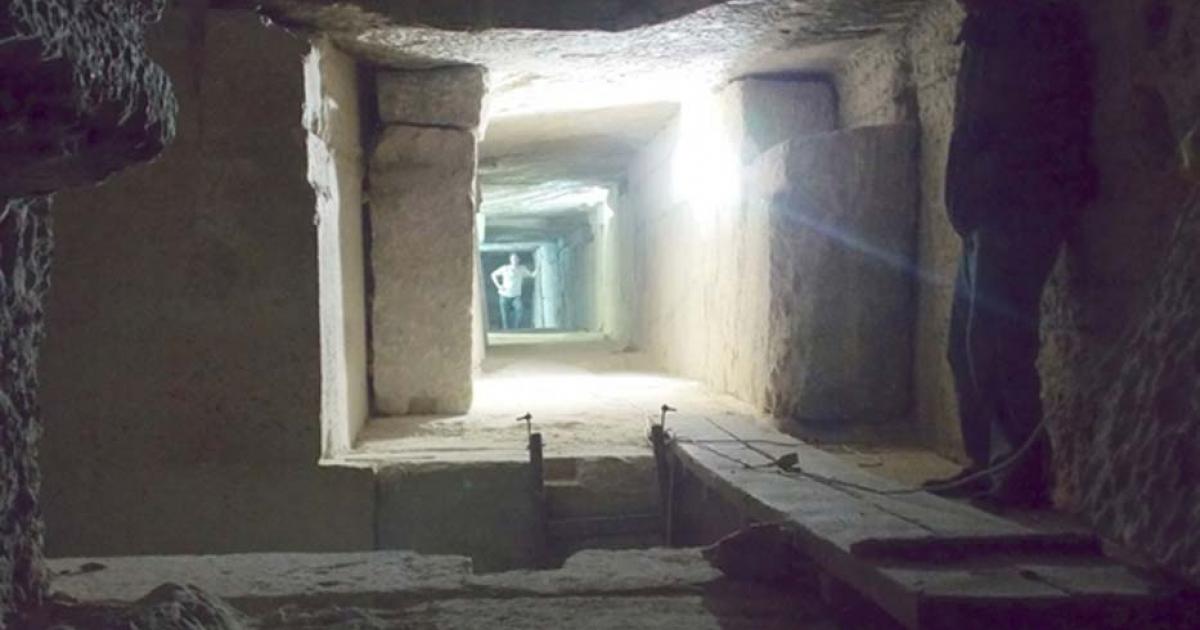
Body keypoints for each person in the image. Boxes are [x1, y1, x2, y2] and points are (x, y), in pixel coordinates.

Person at [925, 0, 1098, 508]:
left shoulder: (1032, 25)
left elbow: (1040, 125)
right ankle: (987, 464)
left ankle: (1018, 477)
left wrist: (998, 179)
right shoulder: (987, 31)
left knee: (998, 344)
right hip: (985, 209)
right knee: (965, 346)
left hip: (1017, 206)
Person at [490, 253, 537, 330]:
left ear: (518, 260)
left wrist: (538, 268)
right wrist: (498, 286)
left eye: (515, 259)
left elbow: (532, 275)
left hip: (515, 296)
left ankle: (515, 328)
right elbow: (493, 275)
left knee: (520, 310)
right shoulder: (505, 268)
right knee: (505, 316)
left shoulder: (522, 269)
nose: (514, 260)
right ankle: (506, 332)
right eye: (512, 259)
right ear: (510, 260)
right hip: (504, 296)